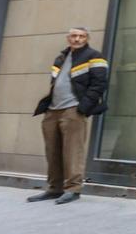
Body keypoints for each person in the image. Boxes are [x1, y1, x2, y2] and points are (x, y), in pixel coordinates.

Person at [28, 26, 109, 204]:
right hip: (53, 110)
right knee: (52, 151)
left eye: (81, 36)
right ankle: (54, 189)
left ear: (87, 39)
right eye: (74, 36)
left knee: (73, 152)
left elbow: (100, 84)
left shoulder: (95, 57)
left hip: (73, 110)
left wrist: (83, 107)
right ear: (68, 38)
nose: (77, 39)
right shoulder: (61, 58)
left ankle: (73, 189)